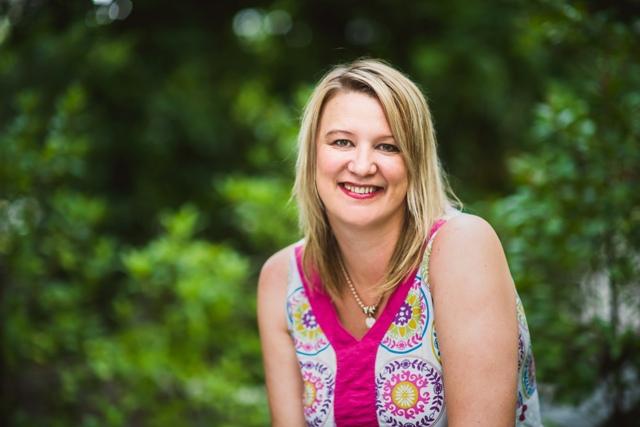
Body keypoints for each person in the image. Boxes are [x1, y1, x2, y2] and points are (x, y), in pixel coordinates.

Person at [257, 58, 541, 427]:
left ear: (416, 161)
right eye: (342, 142)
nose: (361, 166)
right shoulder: (283, 280)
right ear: (312, 155)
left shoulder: (460, 249)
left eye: (388, 147)